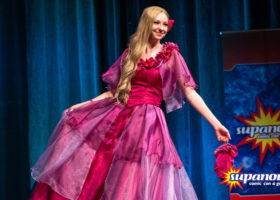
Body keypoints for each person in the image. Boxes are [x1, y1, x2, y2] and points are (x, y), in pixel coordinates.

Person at [29, 6, 231, 200]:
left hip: (150, 122)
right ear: (146, 24)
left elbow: (190, 92)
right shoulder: (131, 54)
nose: (161, 28)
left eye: (164, 24)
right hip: (123, 119)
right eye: (156, 23)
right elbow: (115, 92)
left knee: (143, 173)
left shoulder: (171, 55)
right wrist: (83, 104)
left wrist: (216, 123)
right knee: (111, 170)